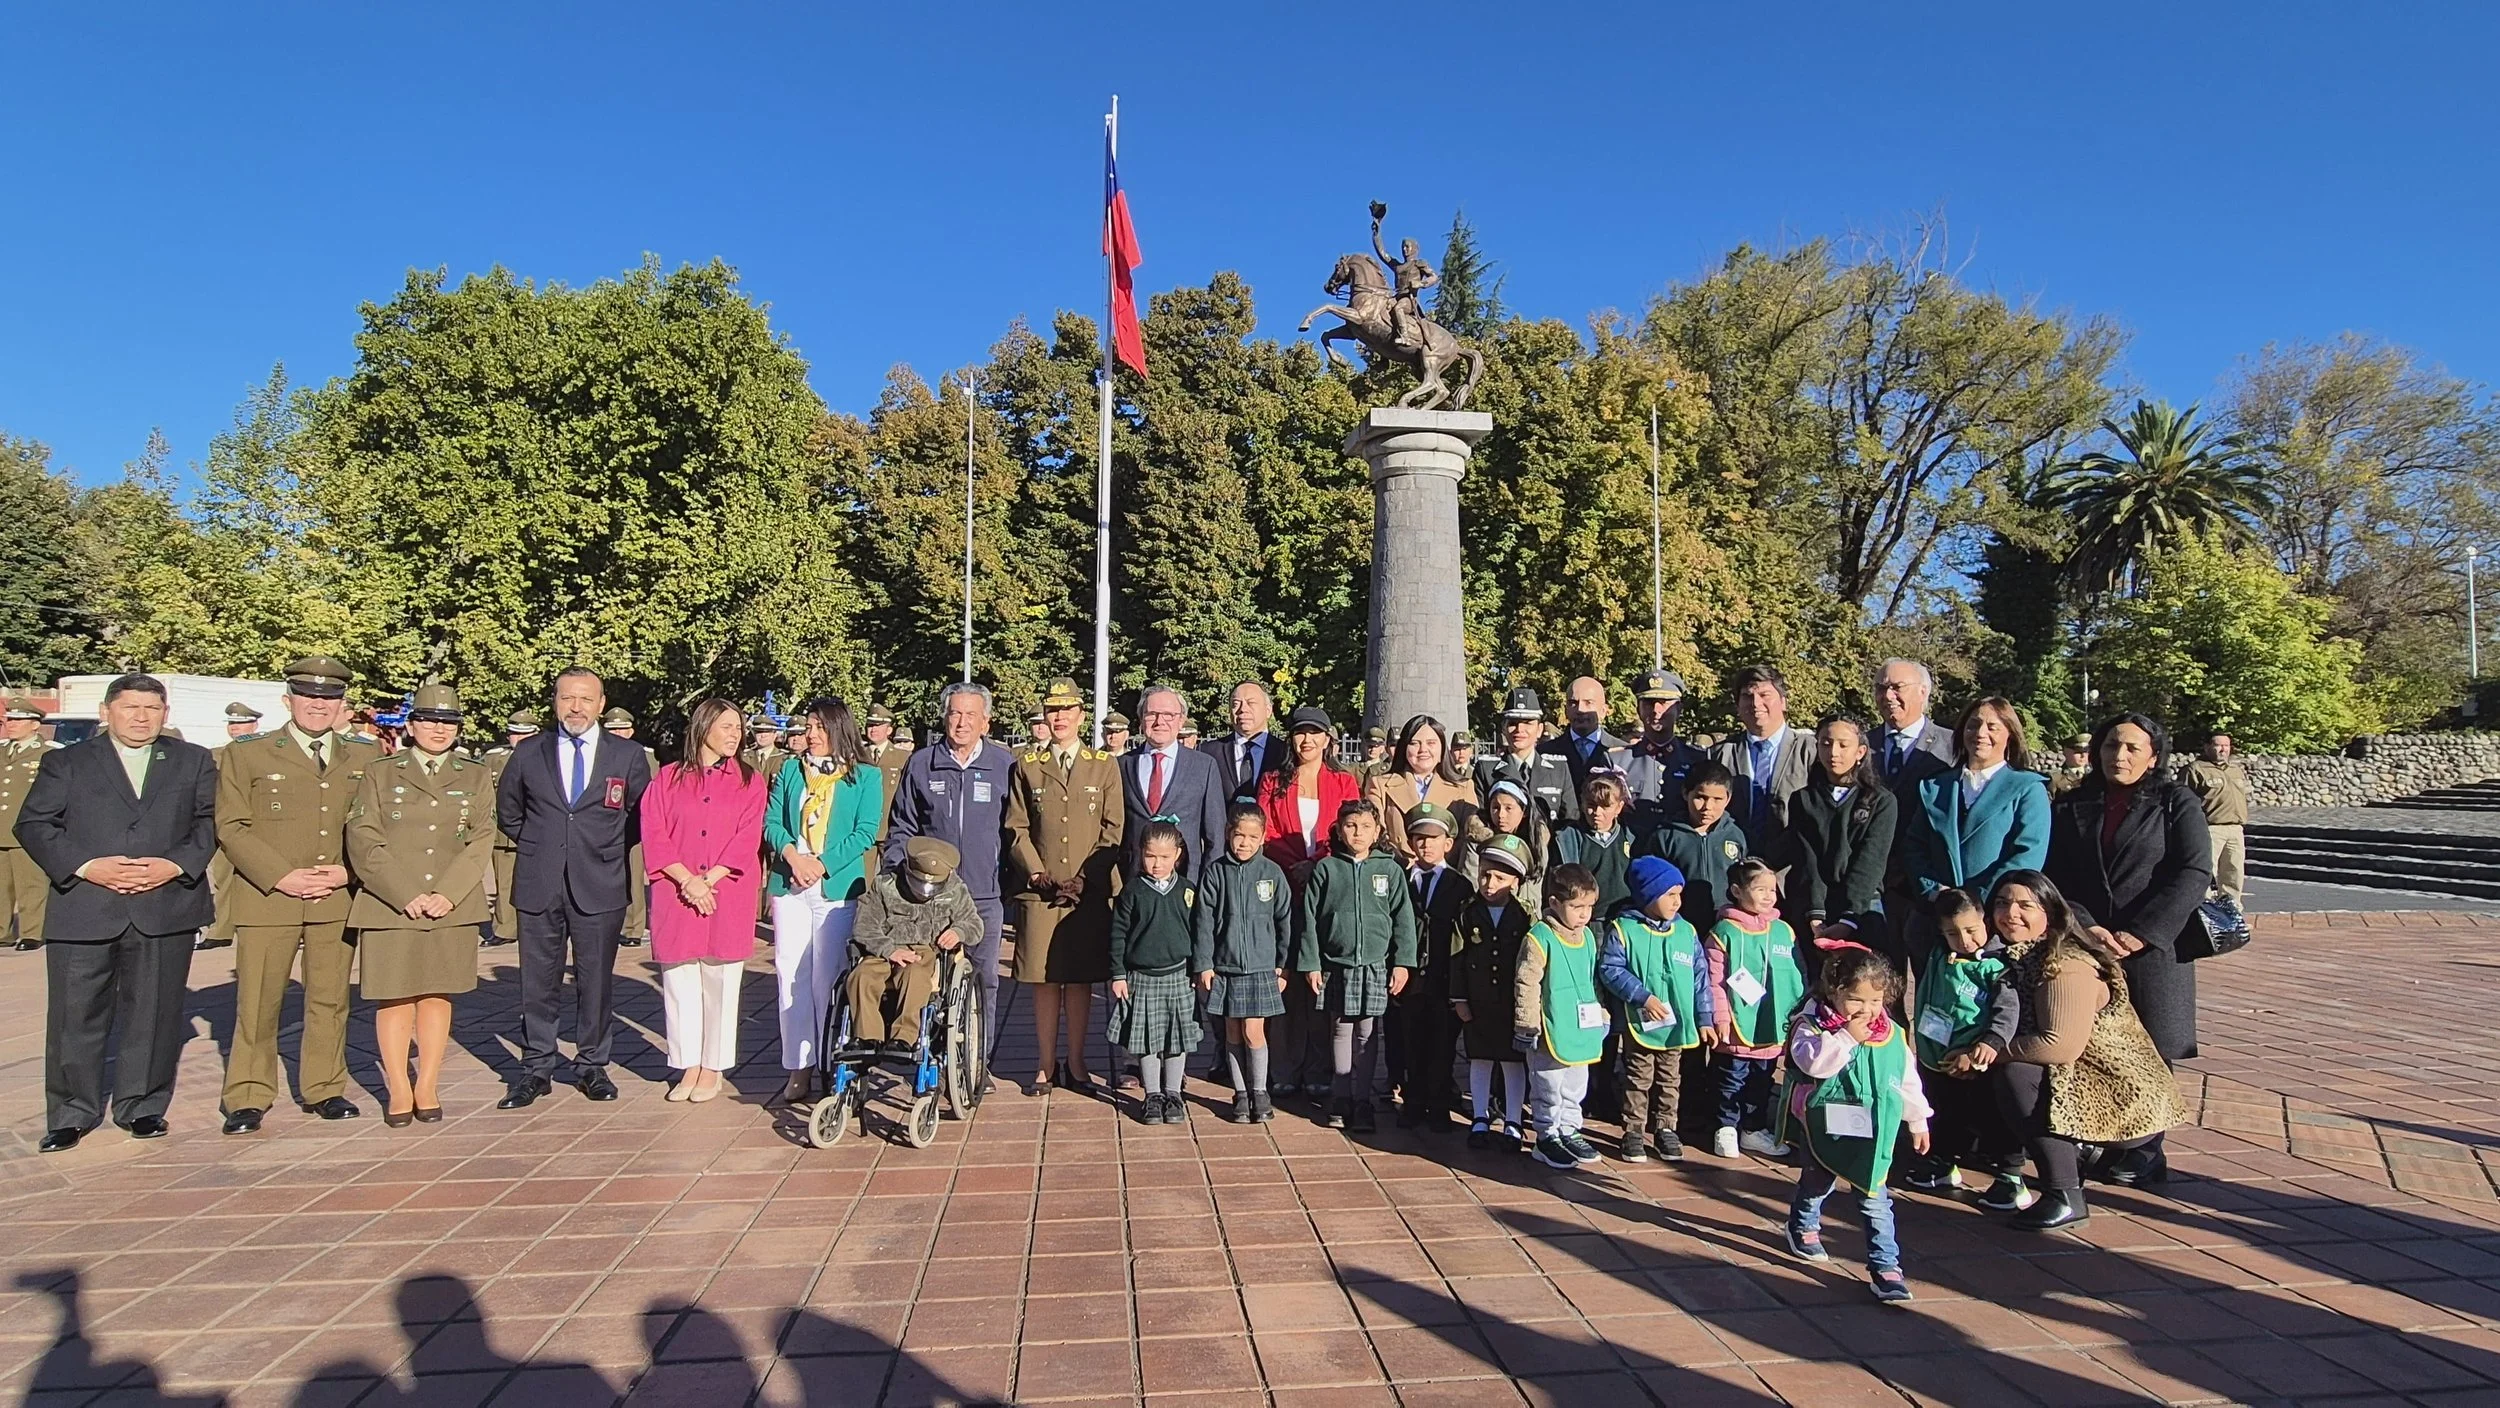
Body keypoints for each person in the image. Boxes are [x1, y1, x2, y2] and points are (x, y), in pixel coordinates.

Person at [16, 675, 217, 1150]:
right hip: (86, 906)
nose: (141, 717)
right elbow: (35, 823)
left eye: (152, 708)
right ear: (108, 711)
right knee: (75, 1015)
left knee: (154, 1012)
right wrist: (88, 867)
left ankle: (142, 1106)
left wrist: (174, 865)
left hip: (164, 905)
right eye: (130, 707)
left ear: (166, 714)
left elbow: (210, 822)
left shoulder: (192, 761)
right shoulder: (66, 762)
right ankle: (71, 1112)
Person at [215, 656, 383, 1133]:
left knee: (330, 998)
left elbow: (374, 826)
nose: (318, 705)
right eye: (309, 697)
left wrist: (346, 874)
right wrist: (281, 875)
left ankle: (325, 1087)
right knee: (259, 998)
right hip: (268, 895)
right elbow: (231, 825)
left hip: (336, 894)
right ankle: (247, 1095)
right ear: (288, 701)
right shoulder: (248, 753)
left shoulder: (365, 756)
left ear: (342, 705)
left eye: (329, 698)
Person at [2043, 713, 2213, 1185]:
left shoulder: (2176, 802)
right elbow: (2056, 878)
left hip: (2154, 946)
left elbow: (2193, 872)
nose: (2120, 756)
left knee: (2152, 1047)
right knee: (2093, 1044)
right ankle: (2102, 1136)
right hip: (2091, 943)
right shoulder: (2073, 805)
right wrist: (2088, 926)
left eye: (2134, 748)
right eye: (2112, 745)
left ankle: (2146, 1148)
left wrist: (2142, 931)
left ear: (2154, 755)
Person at [1986, 871, 2188, 1229]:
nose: (2010, 913)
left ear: (2050, 914)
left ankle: (2064, 1194)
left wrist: (1988, 1053)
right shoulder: (2016, 955)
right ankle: (2033, 1167)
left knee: (2015, 1074)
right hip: (2081, 1076)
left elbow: (2057, 1045)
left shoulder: (2065, 965)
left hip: (2120, 1096)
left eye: (2024, 905)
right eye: (2002, 903)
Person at [495, 667, 652, 1109]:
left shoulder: (627, 755)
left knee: (596, 979)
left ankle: (592, 1065)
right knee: (537, 980)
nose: (576, 707)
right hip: (539, 881)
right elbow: (509, 811)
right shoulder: (530, 753)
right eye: (567, 698)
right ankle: (537, 1066)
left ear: (602, 704)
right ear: (555, 701)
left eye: (585, 699)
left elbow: (641, 817)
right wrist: (543, 845)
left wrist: (601, 848)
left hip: (599, 882)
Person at [343, 683, 491, 1126]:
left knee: (435, 993)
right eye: (428, 720)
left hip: (452, 903)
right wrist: (404, 893)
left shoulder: (475, 774)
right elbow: (363, 836)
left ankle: (426, 1083)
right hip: (392, 904)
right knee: (394, 996)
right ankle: (398, 1087)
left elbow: (481, 837)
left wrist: (448, 893)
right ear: (411, 725)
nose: (438, 729)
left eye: (448, 722)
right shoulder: (381, 772)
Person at [1779, 945, 1931, 1303]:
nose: (1867, 1010)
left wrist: (1919, 1118)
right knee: (1818, 1182)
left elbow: (1905, 1078)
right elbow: (1814, 1064)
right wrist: (1846, 1037)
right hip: (1827, 1124)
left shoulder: (1891, 1034)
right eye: (1856, 1000)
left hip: (1873, 1132)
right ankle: (1802, 1225)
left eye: (1875, 1000)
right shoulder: (1812, 1025)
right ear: (1834, 992)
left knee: (1875, 1199)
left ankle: (1886, 1267)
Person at [886, 682, 1015, 1080]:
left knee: (984, 980)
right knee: (928, 979)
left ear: (985, 721)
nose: (961, 723)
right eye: (954, 714)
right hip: (928, 896)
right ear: (944, 717)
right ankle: (933, 1057)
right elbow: (902, 825)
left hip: (984, 895)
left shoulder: (1004, 765)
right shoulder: (922, 763)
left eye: (970, 715)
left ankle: (977, 1062)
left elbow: (1015, 830)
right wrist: (897, 873)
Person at [642, 698, 768, 1103]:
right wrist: (686, 880)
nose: (735, 734)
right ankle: (687, 1064)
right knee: (680, 982)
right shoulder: (667, 778)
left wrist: (709, 879)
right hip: (677, 892)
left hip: (726, 891)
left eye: (739, 727)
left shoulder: (750, 780)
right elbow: (654, 831)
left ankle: (712, 1066)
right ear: (703, 727)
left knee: (721, 980)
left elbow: (747, 837)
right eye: (727, 726)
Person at [1005, 677, 1125, 1096]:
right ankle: (1043, 1065)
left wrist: (1086, 878)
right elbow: (1016, 827)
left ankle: (1076, 1062)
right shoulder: (1027, 764)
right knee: (1043, 980)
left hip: (1086, 892)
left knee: (1078, 979)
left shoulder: (1102, 764)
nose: (1059, 717)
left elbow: (1113, 830)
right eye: (1053, 710)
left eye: (1067, 710)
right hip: (1042, 891)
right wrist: (1036, 872)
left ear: (1080, 715)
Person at [764, 697, 883, 1104]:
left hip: (833, 887)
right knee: (790, 976)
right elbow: (773, 822)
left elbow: (866, 831)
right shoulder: (789, 771)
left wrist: (822, 864)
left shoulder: (864, 776)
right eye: (808, 727)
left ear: (839, 729)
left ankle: (833, 1062)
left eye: (819, 727)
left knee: (826, 979)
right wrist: (793, 856)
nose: (812, 735)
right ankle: (798, 1065)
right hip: (791, 884)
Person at [1898, 697, 2051, 968]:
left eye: (1993, 727)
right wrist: (1934, 891)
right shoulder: (1935, 786)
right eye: (1973, 725)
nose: (1981, 733)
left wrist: (1978, 900)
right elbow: (1913, 846)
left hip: (1994, 921)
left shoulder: (2027, 788)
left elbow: (2027, 854)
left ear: (2010, 736)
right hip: (1936, 918)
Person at [1258, 707, 1362, 1098]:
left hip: (1326, 888)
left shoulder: (1343, 781)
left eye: (1315, 734)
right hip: (1284, 888)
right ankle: (1284, 1067)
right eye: (1300, 733)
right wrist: (1294, 866)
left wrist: (1315, 863)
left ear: (1328, 740)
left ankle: (1320, 1068)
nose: (1307, 741)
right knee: (1285, 979)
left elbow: (1349, 829)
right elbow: (1266, 829)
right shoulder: (1272, 781)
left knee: (1320, 980)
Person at [1898, 888, 2025, 1207]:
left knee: (1989, 1116)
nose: (1965, 940)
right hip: (1936, 1054)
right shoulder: (1938, 953)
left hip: (1976, 1058)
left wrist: (1989, 1043)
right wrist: (1939, 891)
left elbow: (2007, 1010)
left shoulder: (1998, 965)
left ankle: (2011, 1178)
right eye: (1953, 933)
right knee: (1944, 1111)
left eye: (1971, 930)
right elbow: (1921, 919)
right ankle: (1943, 1163)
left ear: (1986, 922)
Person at [1294, 799, 1416, 1132]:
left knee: (1367, 1031)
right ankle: (1341, 1096)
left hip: (1375, 964)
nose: (1357, 833)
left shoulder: (1389, 869)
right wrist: (1311, 963)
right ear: (1338, 829)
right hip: (1337, 964)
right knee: (1340, 1028)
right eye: (1350, 826)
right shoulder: (1327, 869)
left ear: (1377, 831)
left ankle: (1363, 1100)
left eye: (1365, 827)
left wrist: (1403, 962)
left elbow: (1404, 920)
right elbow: (1309, 920)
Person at [1598, 857, 1714, 1162]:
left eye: (1679, 894)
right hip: (1642, 1022)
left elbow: (1700, 978)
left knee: (1670, 1078)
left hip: (1677, 1025)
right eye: (1669, 895)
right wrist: (1642, 997)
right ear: (1648, 896)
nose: (1677, 902)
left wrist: (1705, 1018)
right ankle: (1633, 1130)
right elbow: (1611, 969)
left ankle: (1666, 1127)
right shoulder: (1623, 929)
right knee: (1638, 1076)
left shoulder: (1687, 932)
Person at [1194, 803, 1292, 1124]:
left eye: (1253, 837)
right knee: (1233, 1031)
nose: (1244, 843)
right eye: (1239, 836)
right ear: (1227, 835)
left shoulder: (1272, 874)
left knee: (1254, 1030)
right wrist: (1204, 963)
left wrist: (1283, 963)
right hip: (1226, 966)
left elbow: (1284, 922)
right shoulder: (1216, 872)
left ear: (1263, 837)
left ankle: (1260, 1090)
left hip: (1263, 967)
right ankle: (1240, 1093)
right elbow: (1204, 921)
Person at [1778, 712, 1899, 960]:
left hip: (1862, 907)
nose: (1833, 752)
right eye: (1826, 743)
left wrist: (1849, 919)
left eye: (1844, 745)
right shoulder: (1803, 799)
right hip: (1815, 906)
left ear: (1860, 752)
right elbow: (1806, 860)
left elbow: (1870, 862)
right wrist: (1815, 915)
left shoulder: (1881, 801)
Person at [1707, 858, 1804, 1159]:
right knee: (1731, 1079)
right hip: (1736, 1027)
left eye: (1772, 890)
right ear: (1736, 890)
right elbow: (1713, 981)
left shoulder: (1784, 931)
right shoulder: (1723, 932)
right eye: (1759, 889)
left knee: (1762, 1080)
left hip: (1772, 1025)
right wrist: (1720, 1016)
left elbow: (1798, 974)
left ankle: (1753, 1129)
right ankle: (1725, 1128)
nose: (1768, 896)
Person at [1512, 862, 1607, 1168]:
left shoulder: (1589, 937)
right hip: (1549, 1027)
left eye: (1589, 906)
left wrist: (1600, 1010)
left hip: (1581, 1027)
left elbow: (1592, 978)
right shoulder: (1540, 937)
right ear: (1554, 903)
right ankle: (1546, 1135)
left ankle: (1569, 1129)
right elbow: (1527, 981)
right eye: (1576, 907)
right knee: (1548, 1084)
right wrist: (1527, 1022)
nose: (1584, 914)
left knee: (1576, 1083)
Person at [846, 838, 979, 1049]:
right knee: (860, 977)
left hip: (924, 952)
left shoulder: (955, 890)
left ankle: (904, 1037)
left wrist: (958, 931)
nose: (924, 891)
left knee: (915, 976)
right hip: (883, 948)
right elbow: (864, 926)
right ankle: (867, 1037)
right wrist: (889, 950)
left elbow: (974, 924)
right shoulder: (884, 885)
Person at [1108, 822, 1200, 1125]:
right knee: (1146, 1040)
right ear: (1140, 854)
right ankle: (1153, 1095)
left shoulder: (1187, 891)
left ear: (1177, 854)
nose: (1156, 864)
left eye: (1164, 857)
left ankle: (1173, 1093)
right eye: (1150, 856)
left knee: (1177, 1039)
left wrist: (1199, 968)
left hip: (1179, 976)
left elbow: (1199, 932)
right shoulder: (1133, 891)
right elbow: (1118, 934)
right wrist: (1118, 973)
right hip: (1142, 978)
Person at [1453, 835, 1535, 1151]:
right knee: (1480, 1058)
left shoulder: (1525, 914)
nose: (1489, 883)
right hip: (1478, 1001)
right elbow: (1457, 956)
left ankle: (1513, 1120)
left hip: (1511, 1003)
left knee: (1513, 1062)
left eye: (1500, 877)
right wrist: (1459, 998)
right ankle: (1479, 1117)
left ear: (1515, 881)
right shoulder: (1468, 912)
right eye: (1485, 874)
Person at [1397, 802, 1471, 1132]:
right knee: (1410, 1041)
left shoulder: (1460, 885)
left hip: (1444, 978)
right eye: (1419, 838)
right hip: (1410, 979)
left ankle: (1439, 1105)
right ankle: (1414, 1103)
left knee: (1443, 1045)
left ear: (1448, 843)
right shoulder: (1401, 880)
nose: (1425, 844)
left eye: (1433, 837)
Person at [1119, 685, 1228, 882]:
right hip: (1133, 883)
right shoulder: (1122, 765)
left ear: (1181, 720)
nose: (1160, 722)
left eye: (1168, 715)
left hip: (1186, 883)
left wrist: (1207, 886)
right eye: (1152, 714)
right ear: (1141, 719)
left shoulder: (1204, 766)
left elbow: (1215, 837)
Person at [1710, 665, 1815, 853]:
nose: (1755, 703)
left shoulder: (1810, 751)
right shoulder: (1720, 754)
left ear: (1783, 702)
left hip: (1793, 867)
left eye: (1765, 695)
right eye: (1747, 696)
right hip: (1736, 864)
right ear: (1738, 705)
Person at [1639, 760, 1746, 931]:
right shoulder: (1666, 836)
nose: (1707, 807)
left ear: (1728, 799)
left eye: (1717, 799)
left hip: (1726, 925)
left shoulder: (1735, 835)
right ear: (1685, 793)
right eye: (1700, 797)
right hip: (1679, 925)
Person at [1365, 714, 1481, 864]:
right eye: (1414, 743)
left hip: (1448, 877)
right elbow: (1376, 835)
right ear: (1404, 748)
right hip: (1399, 873)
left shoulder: (1463, 788)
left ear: (1442, 749)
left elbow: (1472, 841)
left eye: (1431, 743)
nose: (1423, 750)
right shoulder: (1380, 785)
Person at [195, 701, 262, 953]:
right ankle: (221, 930)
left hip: (258, 826)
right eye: (232, 724)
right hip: (225, 825)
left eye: (242, 723)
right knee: (223, 878)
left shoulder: (265, 752)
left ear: (254, 725)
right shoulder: (215, 755)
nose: (236, 729)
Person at [1617, 670, 1707, 839]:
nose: (1656, 710)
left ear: (1679, 709)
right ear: (1638, 709)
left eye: (1663, 703)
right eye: (1649, 703)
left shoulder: (1697, 760)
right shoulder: (1618, 761)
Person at [1475, 688, 1579, 827]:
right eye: (1513, 723)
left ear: (1540, 729)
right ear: (1504, 728)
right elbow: (1481, 820)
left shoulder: (1558, 770)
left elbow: (1570, 820)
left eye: (1528, 723)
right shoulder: (1487, 770)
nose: (1519, 729)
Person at [0, 699, 57, 951]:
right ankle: (3, 931)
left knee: (31, 883)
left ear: (35, 725)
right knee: (1, 885)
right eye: (8, 720)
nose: (10, 725)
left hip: (27, 829)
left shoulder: (48, 753)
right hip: (2, 828)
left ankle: (32, 932)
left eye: (17, 721)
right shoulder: (2, 750)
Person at [603, 707, 660, 949]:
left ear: (631, 731)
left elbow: (651, 793)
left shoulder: (643, 755)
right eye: (612, 729)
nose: (617, 733)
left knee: (633, 876)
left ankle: (633, 927)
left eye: (622, 729)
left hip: (634, 823)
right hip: (604, 824)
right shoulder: (599, 753)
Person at [481, 708, 538, 949]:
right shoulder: (494, 758)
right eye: (515, 733)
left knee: (535, 881)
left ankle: (532, 927)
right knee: (503, 881)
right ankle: (505, 927)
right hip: (502, 831)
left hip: (535, 830)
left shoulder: (546, 755)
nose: (519, 739)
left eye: (525, 734)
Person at [1549, 773, 1635, 917]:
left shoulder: (1631, 837)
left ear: (1619, 807)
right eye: (1591, 805)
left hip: (1625, 917)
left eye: (1605, 806)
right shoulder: (1569, 838)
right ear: (1582, 803)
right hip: (1585, 919)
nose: (1597, 813)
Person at [1870, 659, 1956, 796]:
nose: (1887, 696)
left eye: (1897, 687)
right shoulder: (1861, 744)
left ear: (1922, 692)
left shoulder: (1952, 745)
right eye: (1881, 688)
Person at [2181, 732, 2249, 905]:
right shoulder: (2196, 769)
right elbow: (2184, 799)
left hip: (2235, 828)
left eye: (2226, 745)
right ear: (2207, 747)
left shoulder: (2235, 770)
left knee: (2233, 872)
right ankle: (2204, 912)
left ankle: (2232, 913)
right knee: (2205, 871)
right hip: (2210, 828)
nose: (2223, 749)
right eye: (2218, 745)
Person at [1544, 676, 1627, 795]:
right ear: (1566, 709)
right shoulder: (1546, 753)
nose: (1580, 710)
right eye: (1573, 703)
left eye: (1588, 703)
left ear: (1603, 711)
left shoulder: (1623, 753)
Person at [1479, 781, 1548, 916]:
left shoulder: (1537, 841)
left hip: (1527, 914)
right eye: (1496, 808)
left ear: (1524, 811)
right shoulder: (1480, 840)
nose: (1501, 815)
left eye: (1508, 808)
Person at [1203, 680, 1278, 804]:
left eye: (1251, 703)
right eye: (1236, 704)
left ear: (1268, 710)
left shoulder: (1286, 753)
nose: (1243, 709)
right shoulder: (1208, 752)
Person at [2049, 734, 2093, 798]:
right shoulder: (2056, 778)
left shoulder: (2096, 774)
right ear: (2065, 751)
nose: (2083, 755)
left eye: (2086, 751)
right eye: (2078, 751)